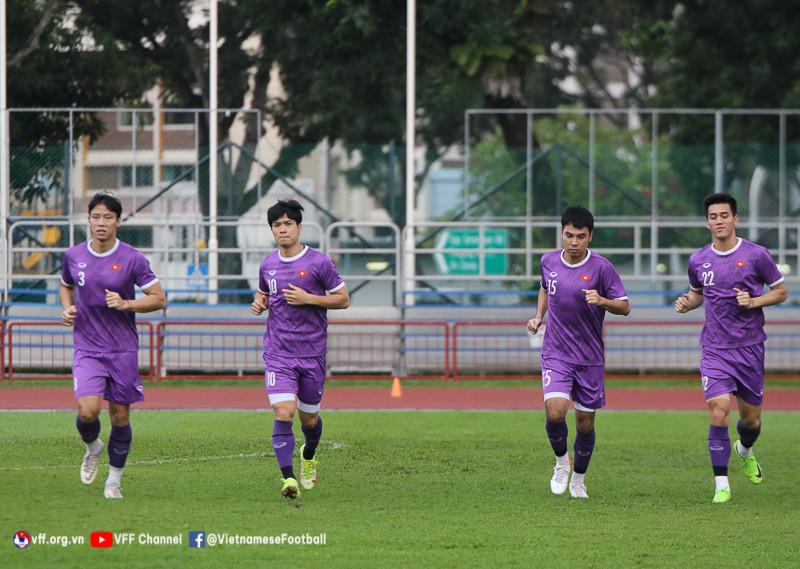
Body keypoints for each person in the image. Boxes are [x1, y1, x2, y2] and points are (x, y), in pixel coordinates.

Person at [675, 192, 787, 503]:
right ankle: (721, 484)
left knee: (751, 422)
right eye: (713, 216)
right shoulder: (698, 259)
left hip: (750, 349)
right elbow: (697, 294)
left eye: (724, 215)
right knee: (719, 411)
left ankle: (745, 449)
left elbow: (780, 292)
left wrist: (755, 301)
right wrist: (687, 303)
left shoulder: (756, 255)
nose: (719, 221)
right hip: (714, 349)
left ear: (735, 219)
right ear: (707, 221)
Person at [60, 193, 166, 499]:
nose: (101, 223)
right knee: (88, 410)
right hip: (87, 347)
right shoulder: (74, 255)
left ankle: (114, 481)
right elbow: (66, 285)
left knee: (120, 417)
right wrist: (67, 308)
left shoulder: (132, 258)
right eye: (96, 217)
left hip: (122, 350)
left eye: (108, 217)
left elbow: (159, 298)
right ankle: (93, 447)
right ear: (89, 220)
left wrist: (126, 303)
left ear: (118, 221)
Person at [527, 206, 630, 499]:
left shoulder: (602, 268)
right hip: (556, 352)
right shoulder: (548, 261)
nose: (573, 242)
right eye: (568, 235)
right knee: (555, 411)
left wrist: (603, 300)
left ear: (590, 237)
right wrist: (538, 316)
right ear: (561, 233)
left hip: (590, 359)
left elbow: (624, 306)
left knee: (585, 423)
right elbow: (546, 288)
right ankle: (561, 463)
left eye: (580, 236)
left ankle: (579, 480)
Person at [251, 199, 350, 499]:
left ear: (299, 227)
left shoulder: (319, 262)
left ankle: (308, 456)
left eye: (287, 224)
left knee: (309, 420)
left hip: (312, 355)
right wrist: (259, 303)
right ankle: (288, 479)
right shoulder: (267, 264)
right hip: (278, 354)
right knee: (284, 412)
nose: (282, 229)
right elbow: (264, 294)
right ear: (271, 230)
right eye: (277, 225)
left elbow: (343, 299)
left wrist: (310, 299)